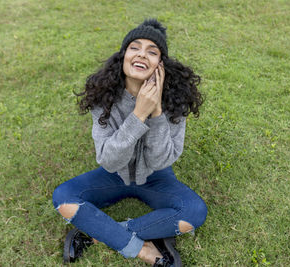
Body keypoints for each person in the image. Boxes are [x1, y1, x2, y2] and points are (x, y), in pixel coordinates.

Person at [52, 19, 207, 267]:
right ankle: (143, 249)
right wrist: (138, 116)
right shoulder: (103, 96)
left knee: (194, 213)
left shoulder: (176, 100)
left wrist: (155, 113)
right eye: (135, 47)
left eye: (152, 52)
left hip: (157, 177)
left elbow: (160, 160)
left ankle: (98, 233)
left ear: (160, 65)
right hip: (113, 176)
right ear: (123, 56)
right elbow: (108, 160)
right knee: (63, 198)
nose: (142, 55)